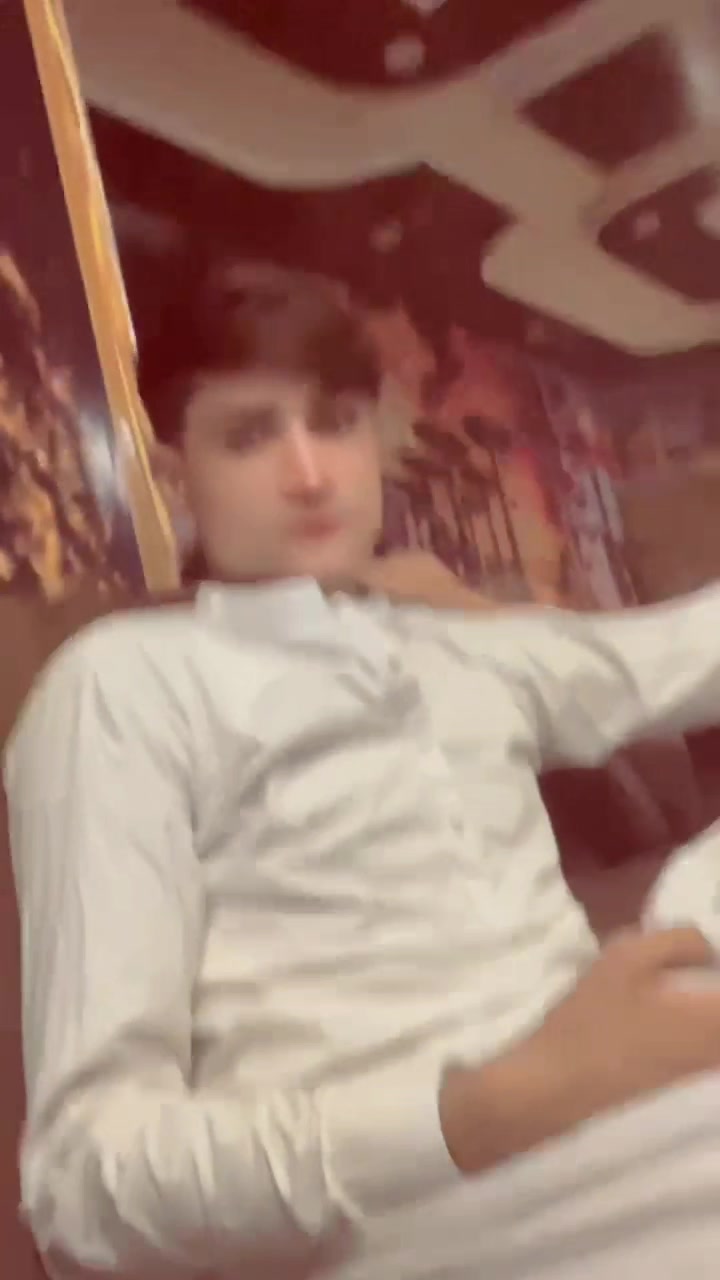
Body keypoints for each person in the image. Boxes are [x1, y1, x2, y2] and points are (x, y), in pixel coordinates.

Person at [6, 259, 720, 1280]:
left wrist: (468, 608)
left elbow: (679, 654)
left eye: (336, 424)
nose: (310, 475)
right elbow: (83, 1185)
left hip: (627, 1083)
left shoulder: (457, 646)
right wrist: (485, 1106)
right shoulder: (121, 684)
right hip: (430, 1189)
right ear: (171, 477)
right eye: (250, 436)